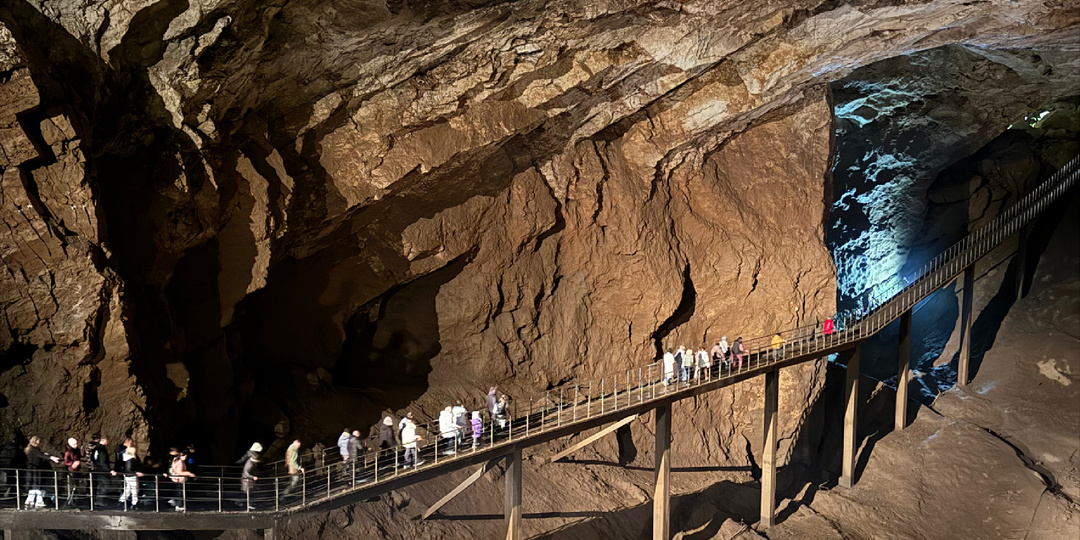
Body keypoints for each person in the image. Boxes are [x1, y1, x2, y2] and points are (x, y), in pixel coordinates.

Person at [24, 436, 60, 509]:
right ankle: (38, 501)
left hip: (31, 470)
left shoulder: (29, 449)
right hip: (35, 471)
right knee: (37, 486)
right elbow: (41, 456)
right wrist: (51, 458)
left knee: (34, 486)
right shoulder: (34, 450)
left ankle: (30, 501)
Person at [116, 445, 143, 510]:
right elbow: (129, 469)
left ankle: (121, 502)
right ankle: (134, 504)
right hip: (132, 476)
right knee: (134, 490)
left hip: (127, 476)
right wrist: (135, 473)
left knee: (127, 490)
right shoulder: (130, 459)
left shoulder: (125, 458)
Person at [88, 434, 111, 507]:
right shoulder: (102, 449)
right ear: (103, 440)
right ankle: (100, 500)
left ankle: (98, 500)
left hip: (97, 469)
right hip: (102, 470)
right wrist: (109, 470)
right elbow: (102, 462)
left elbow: (93, 459)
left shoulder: (95, 449)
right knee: (105, 485)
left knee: (100, 485)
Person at [63, 437, 83, 508]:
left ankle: (74, 500)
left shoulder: (76, 450)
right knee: (72, 485)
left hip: (76, 470)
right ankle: (71, 500)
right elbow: (66, 462)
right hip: (71, 470)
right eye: (74, 444)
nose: (76, 445)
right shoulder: (68, 452)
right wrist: (73, 463)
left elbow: (79, 457)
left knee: (76, 485)